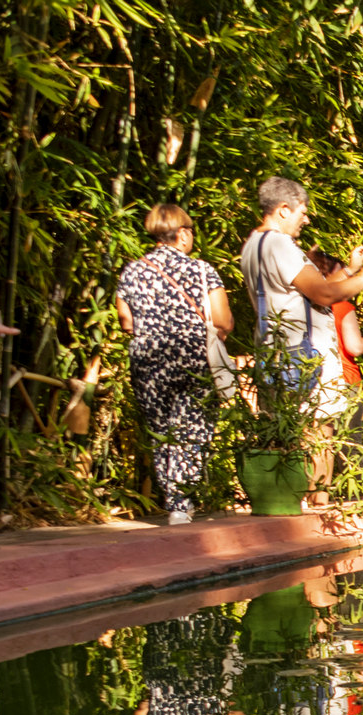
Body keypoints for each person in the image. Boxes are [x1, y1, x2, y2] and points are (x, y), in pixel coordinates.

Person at [240, 178, 363, 500]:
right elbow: (323, 293)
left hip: (275, 350)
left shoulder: (252, 245)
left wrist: (348, 270)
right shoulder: (278, 243)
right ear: (283, 209)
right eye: (302, 212)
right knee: (319, 433)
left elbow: (298, 293)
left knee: (290, 432)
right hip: (304, 356)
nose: (306, 220)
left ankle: (294, 506)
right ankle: (317, 509)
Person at [115, 204, 235, 524]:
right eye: (191, 232)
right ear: (182, 234)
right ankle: (182, 501)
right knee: (193, 427)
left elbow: (126, 321)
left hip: (148, 359)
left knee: (160, 429)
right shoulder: (202, 270)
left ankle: (172, 499)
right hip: (192, 355)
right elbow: (223, 320)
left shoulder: (132, 271)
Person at [304, 249, 363, 388]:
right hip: (343, 379)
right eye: (342, 274)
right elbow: (355, 348)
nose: (348, 280)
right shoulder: (342, 306)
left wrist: (352, 269)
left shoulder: (301, 303)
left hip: (311, 378)